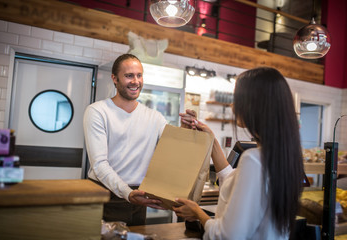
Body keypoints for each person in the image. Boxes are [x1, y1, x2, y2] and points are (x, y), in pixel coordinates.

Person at [175, 67, 304, 239]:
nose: (232, 105)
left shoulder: (254, 159)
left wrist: (198, 213)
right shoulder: (284, 157)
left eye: (237, 98)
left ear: (254, 105)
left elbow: (229, 235)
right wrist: (211, 139)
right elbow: (232, 180)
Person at [83, 54, 167, 226]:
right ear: (114, 78)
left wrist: (190, 128)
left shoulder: (155, 118)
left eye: (139, 75)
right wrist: (127, 193)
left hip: (139, 197)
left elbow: (175, 146)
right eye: (129, 76)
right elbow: (99, 164)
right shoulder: (97, 111)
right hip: (104, 194)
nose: (135, 81)